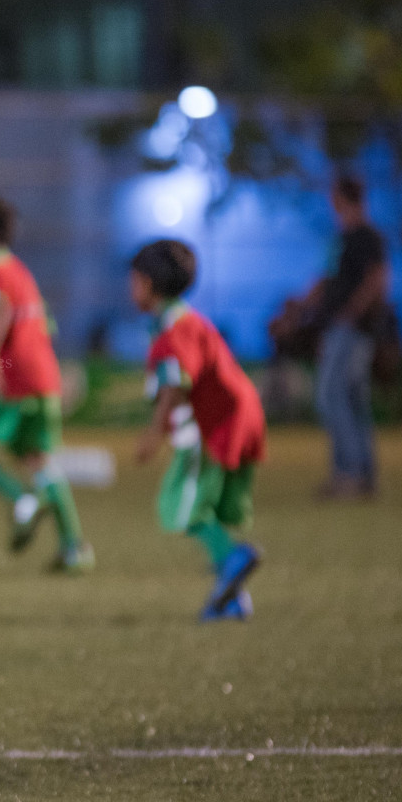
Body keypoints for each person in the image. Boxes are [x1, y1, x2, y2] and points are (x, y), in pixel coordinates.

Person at [0, 198, 92, 572]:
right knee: (38, 459)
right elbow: (45, 323)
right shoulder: (18, 271)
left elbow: (0, 311)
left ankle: (24, 501)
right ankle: (75, 548)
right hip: (41, 375)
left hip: (12, 378)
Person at [130, 239, 265, 621]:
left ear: (148, 284)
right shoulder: (179, 321)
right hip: (236, 416)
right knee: (203, 508)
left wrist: (154, 434)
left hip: (216, 423)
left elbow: (177, 381)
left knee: (181, 505)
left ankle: (234, 559)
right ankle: (233, 600)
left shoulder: (175, 329)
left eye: (135, 280)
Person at [308, 176, 388, 499]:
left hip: (351, 329)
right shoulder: (341, 237)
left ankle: (350, 473)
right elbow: (327, 279)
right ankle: (364, 474)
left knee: (331, 395)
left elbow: (377, 278)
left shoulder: (366, 236)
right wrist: (301, 307)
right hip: (341, 326)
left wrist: (353, 310)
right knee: (353, 399)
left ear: (341, 196)